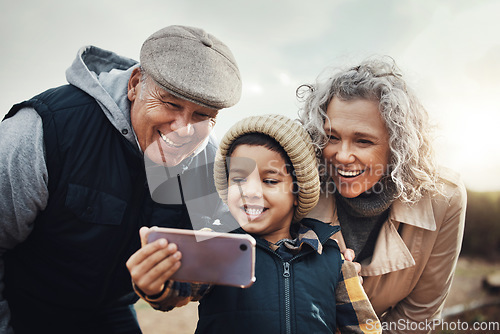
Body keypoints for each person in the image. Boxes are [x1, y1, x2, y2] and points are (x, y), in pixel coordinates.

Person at [0, 25, 241, 334]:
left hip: (110, 309)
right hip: (22, 304)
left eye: (201, 116)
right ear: (135, 84)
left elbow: (216, 258)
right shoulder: (44, 129)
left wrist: (167, 288)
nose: (183, 129)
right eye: (170, 103)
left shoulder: (205, 163)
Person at [127, 114, 382, 334]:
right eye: (238, 179)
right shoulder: (217, 246)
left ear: (298, 192)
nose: (249, 191)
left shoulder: (331, 257)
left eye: (270, 181)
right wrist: (157, 284)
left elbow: (362, 326)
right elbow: (178, 288)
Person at [298, 56, 467, 333]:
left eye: (363, 141)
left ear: (398, 144)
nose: (341, 155)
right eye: (332, 137)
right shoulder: (297, 183)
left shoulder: (444, 198)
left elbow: (418, 313)